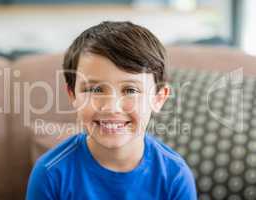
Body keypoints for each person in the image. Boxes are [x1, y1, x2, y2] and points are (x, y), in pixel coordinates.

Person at [26, 21, 197, 200]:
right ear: (73, 96)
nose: (111, 107)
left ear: (158, 98)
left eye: (130, 90)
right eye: (95, 89)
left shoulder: (175, 176)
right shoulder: (49, 173)